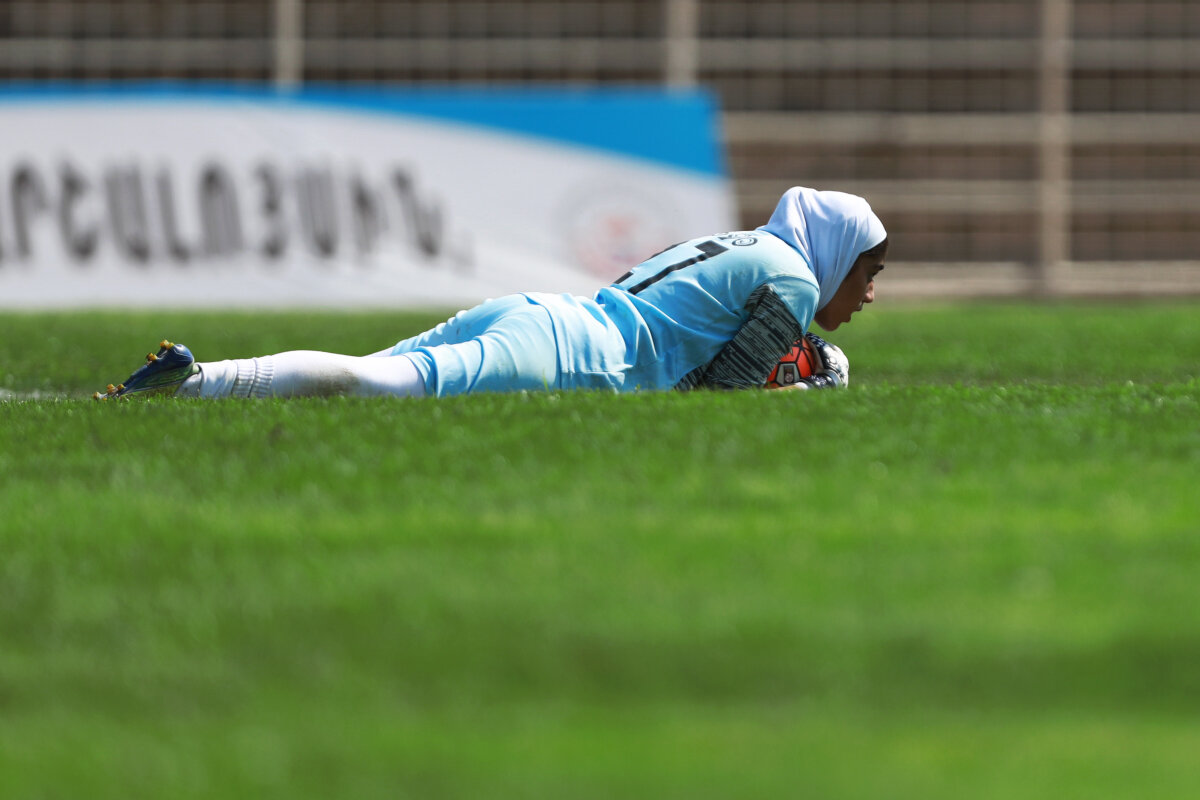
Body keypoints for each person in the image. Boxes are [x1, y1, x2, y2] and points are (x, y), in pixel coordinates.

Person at [95, 186, 887, 401]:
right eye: (868, 271)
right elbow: (718, 398)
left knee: (363, 377)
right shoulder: (791, 275)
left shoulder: (751, 244)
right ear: (838, 253)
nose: (869, 293)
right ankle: (192, 381)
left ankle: (185, 382)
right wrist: (807, 388)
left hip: (544, 313)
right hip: (576, 355)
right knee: (374, 385)